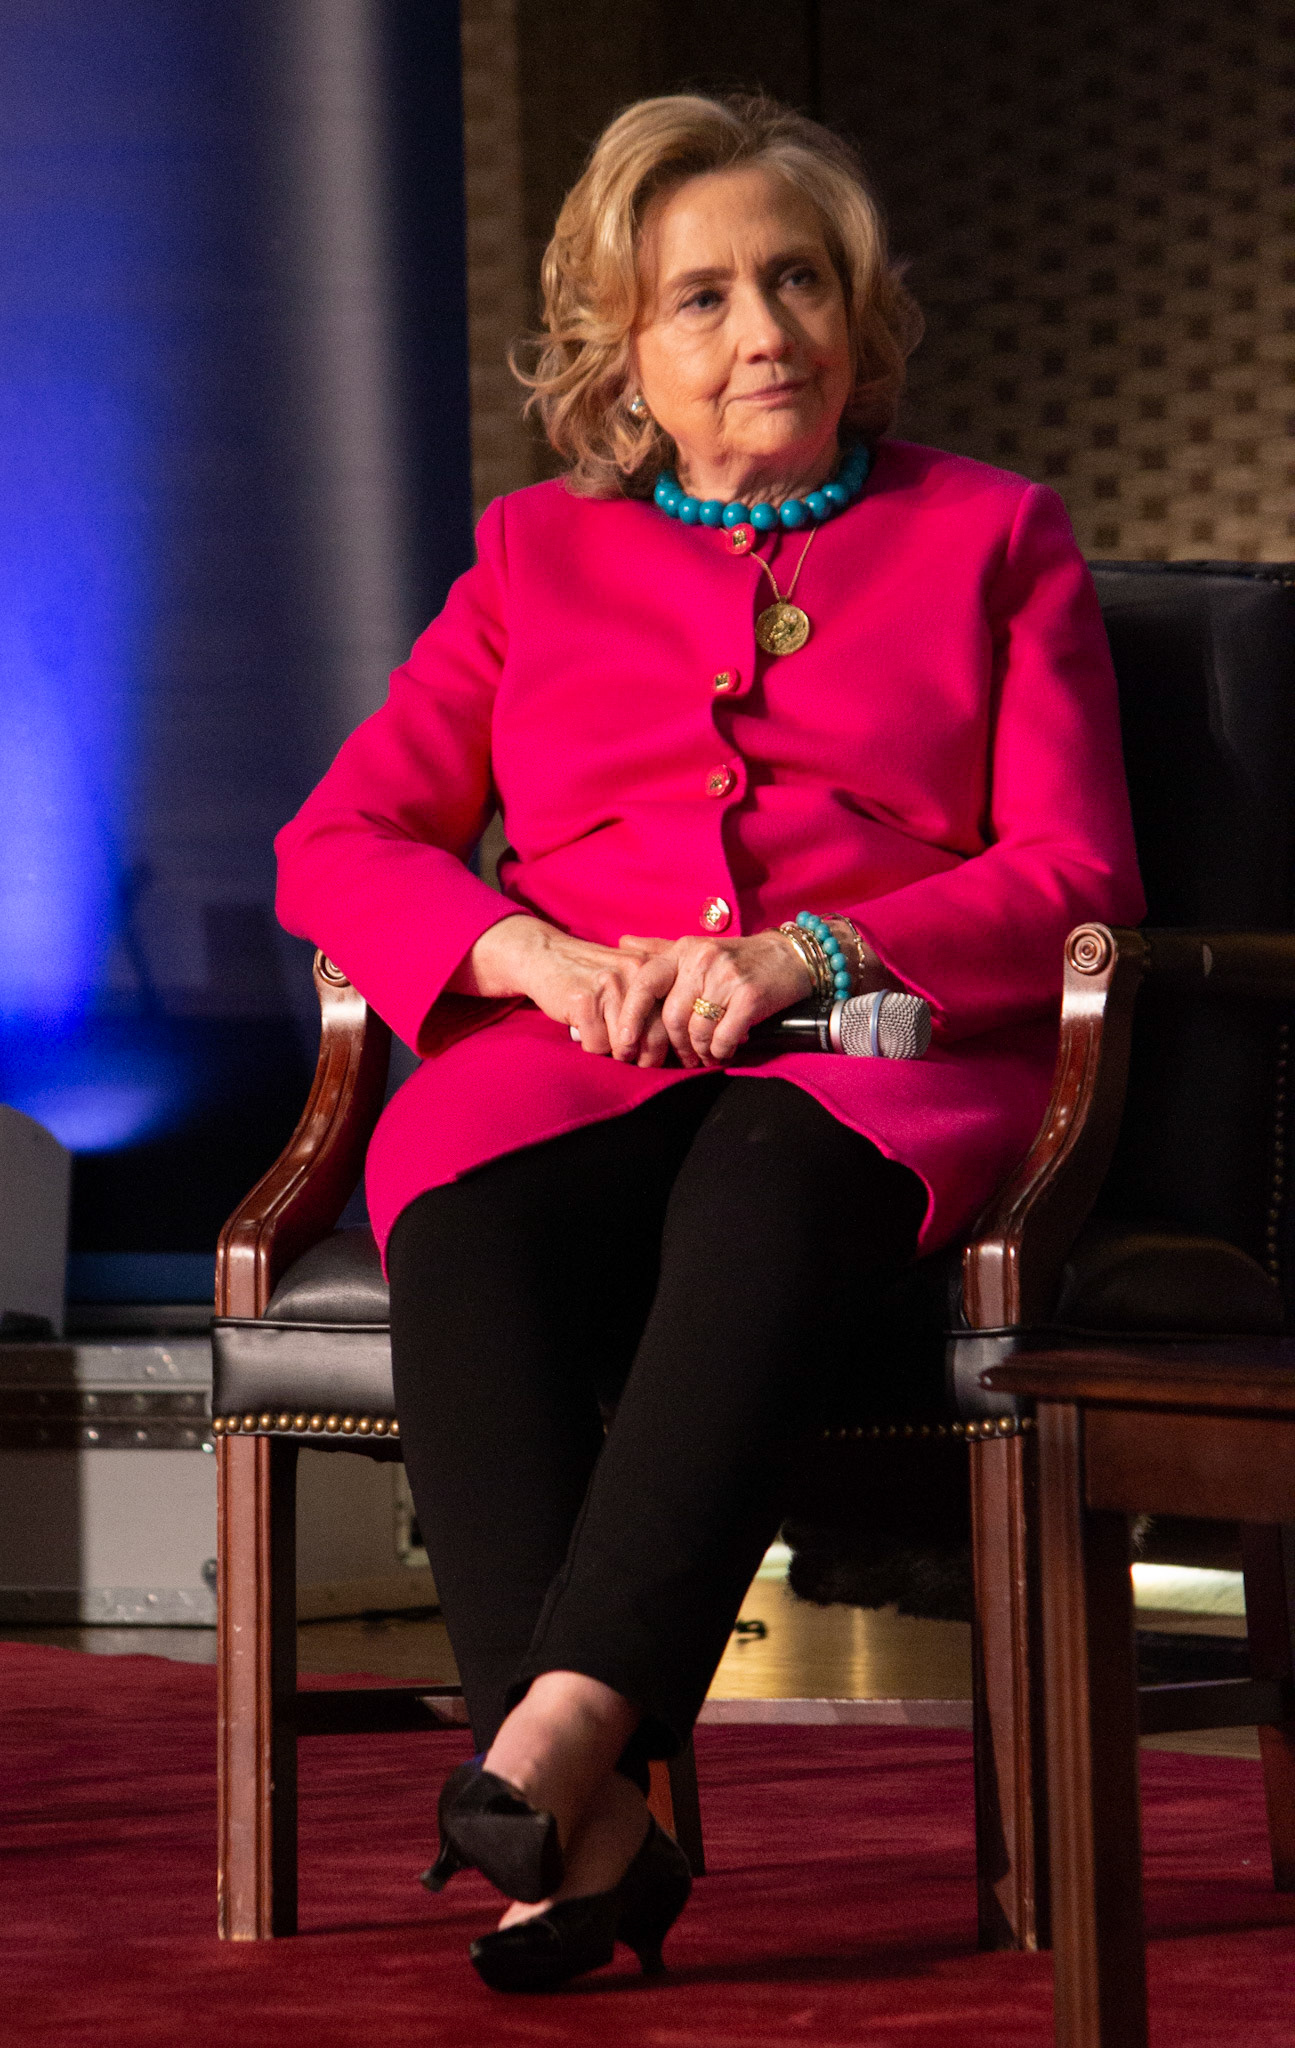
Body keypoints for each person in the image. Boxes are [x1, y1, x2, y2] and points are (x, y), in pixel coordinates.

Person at [274, 92, 1144, 1992]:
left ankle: (552, 1748)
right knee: (471, 1203)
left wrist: (803, 953)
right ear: (624, 353)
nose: (763, 330)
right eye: (703, 297)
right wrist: (517, 949)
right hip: (581, 1041)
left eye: (797, 279)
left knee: (764, 1178)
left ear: (859, 312)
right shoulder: (532, 556)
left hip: (878, 1032)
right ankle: (592, 1812)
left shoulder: (995, 535)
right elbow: (335, 845)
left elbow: (1077, 864)